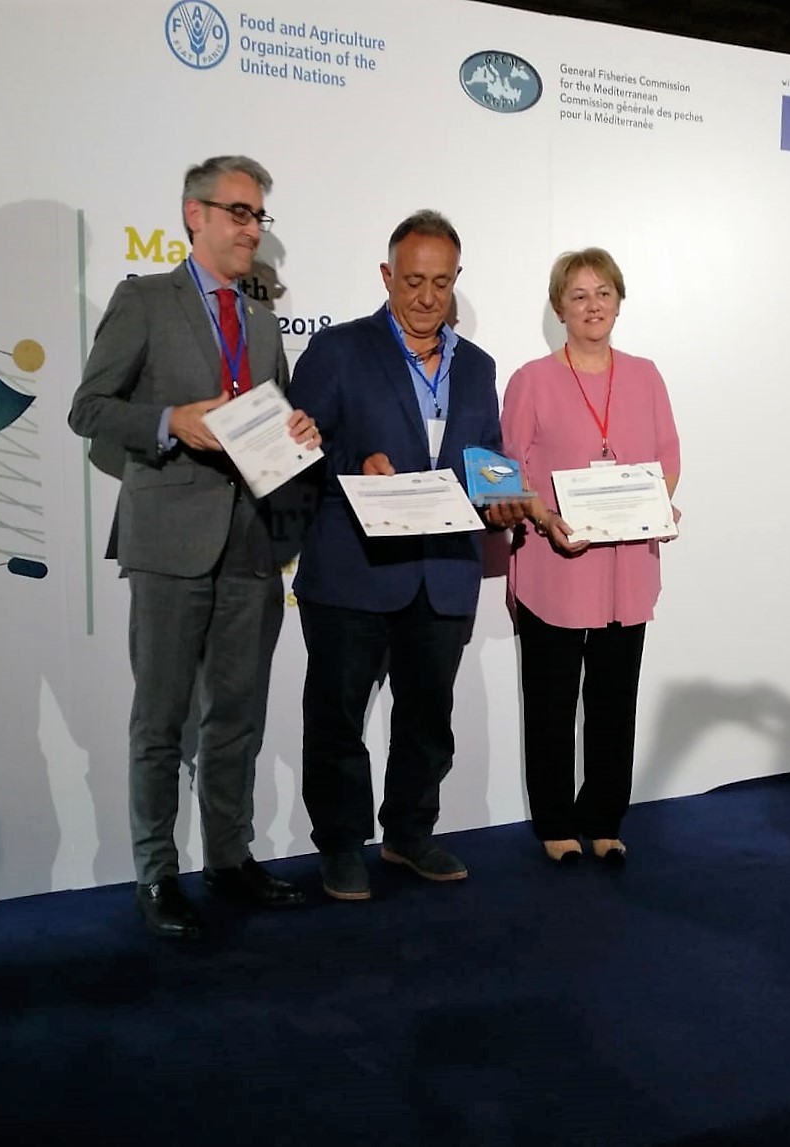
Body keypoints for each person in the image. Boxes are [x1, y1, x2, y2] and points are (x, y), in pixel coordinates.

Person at [68, 156, 320, 939]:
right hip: (170, 540)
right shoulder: (145, 300)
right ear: (194, 214)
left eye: (258, 216)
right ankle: (156, 873)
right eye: (238, 212)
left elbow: (269, 422)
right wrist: (169, 421)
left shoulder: (262, 321)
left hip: (251, 542)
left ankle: (229, 859)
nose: (251, 229)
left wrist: (298, 430)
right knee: (161, 720)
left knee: (236, 717)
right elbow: (88, 409)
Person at [286, 210, 527, 901]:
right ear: (387, 275)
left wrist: (503, 495)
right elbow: (295, 448)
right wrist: (354, 463)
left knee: (427, 718)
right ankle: (340, 845)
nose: (426, 297)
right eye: (413, 280)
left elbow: (485, 454)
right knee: (337, 718)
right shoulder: (338, 349)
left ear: (457, 280)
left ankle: (410, 833)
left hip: (444, 570)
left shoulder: (477, 366)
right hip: (353, 568)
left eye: (441, 283)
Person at [501, 247, 681, 867]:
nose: (593, 305)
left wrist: (654, 506)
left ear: (619, 301)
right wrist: (543, 518)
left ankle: (605, 818)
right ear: (560, 308)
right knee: (550, 703)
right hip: (556, 564)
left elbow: (668, 457)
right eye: (578, 295)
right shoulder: (531, 379)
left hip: (627, 566)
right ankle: (555, 821)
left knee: (614, 703)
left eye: (603, 292)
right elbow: (510, 467)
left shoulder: (646, 375)